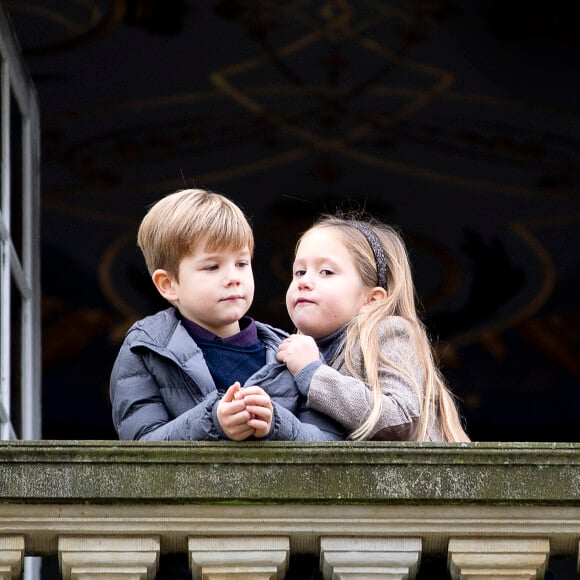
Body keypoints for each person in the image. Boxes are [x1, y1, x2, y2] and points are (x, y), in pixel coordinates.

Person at [110, 188, 344, 442]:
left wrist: (276, 423)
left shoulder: (292, 354)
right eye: (212, 266)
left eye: (241, 264)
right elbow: (139, 447)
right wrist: (213, 423)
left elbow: (332, 444)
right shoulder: (145, 350)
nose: (233, 278)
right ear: (168, 284)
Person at [276, 214, 470, 442]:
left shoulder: (387, 332)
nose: (304, 281)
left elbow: (401, 418)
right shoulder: (290, 352)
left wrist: (313, 375)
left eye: (326, 272)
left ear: (373, 299)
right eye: (299, 271)